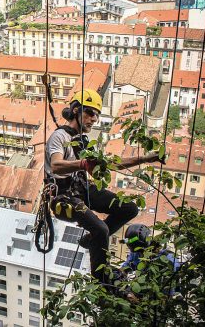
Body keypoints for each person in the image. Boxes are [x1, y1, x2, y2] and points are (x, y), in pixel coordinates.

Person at [45, 89, 161, 284]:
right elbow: (56, 164)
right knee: (101, 229)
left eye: (96, 115)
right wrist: (83, 164)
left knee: (129, 209)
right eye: (90, 113)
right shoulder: (60, 137)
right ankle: (102, 279)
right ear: (76, 110)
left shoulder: (84, 143)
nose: (94, 119)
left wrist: (145, 159)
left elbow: (109, 163)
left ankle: (92, 241)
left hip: (82, 190)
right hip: (63, 195)